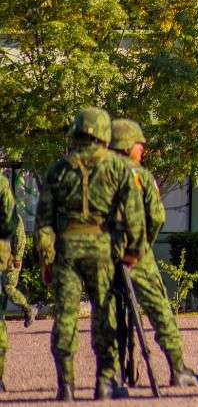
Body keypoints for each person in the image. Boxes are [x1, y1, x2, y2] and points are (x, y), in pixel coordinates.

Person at [34, 107, 146, 401]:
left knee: (65, 317)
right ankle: (104, 382)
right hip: (103, 250)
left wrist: (46, 258)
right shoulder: (118, 168)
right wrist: (133, 252)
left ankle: (66, 386)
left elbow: (44, 221)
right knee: (104, 313)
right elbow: (135, 215)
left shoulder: (58, 170)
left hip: (66, 251)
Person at [108, 119, 198, 387]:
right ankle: (178, 368)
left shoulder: (98, 174)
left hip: (103, 255)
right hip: (136, 255)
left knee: (107, 313)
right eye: (140, 145)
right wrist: (142, 246)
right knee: (159, 309)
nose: (143, 151)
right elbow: (157, 216)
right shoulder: (139, 175)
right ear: (128, 146)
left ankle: (111, 375)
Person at [0, 170, 33, 393]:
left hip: (9, 259)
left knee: (8, 288)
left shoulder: (16, 219)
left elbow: (18, 236)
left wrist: (17, 257)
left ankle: (27, 308)